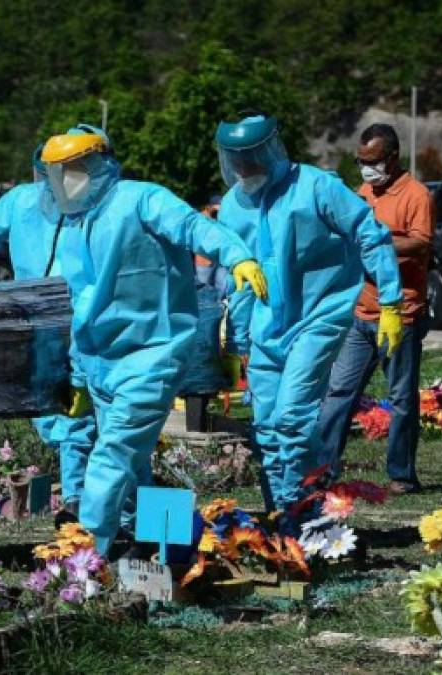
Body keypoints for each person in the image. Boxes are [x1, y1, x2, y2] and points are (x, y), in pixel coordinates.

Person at [41, 125, 267, 554]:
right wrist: (74, 373)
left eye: (75, 168)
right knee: (132, 462)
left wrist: (237, 257)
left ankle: (85, 552)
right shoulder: (73, 228)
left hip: (152, 355)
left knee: (111, 455)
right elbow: (76, 306)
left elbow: (194, 228)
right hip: (99, 362)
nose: (66, 181)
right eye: (58, 172)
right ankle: (144, 543)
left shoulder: (141, 199)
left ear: (100, 163)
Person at [215, 112, 402, 524]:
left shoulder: (316, 187)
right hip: (267, 328)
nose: (242, 167)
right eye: (234, 158)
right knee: (264, 426)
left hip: (320, 315)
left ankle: (305, 509)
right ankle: (284, 512)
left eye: (249, 156)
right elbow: (241, 278)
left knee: (292, 417)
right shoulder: (233, 205)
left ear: (269, 150)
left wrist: (390, 301)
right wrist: (240, 342)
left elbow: (369, 233)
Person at [0, 144, 96, 522]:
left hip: (78, 312)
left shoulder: (90, 206)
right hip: (32, 316)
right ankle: (74, 466)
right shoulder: (21, 202)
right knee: (42, 401)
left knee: (77, 402)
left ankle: (77, 494)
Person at [318, 124, 435, 495]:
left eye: (373, 162)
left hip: (401, 313)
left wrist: (375, 244)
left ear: (393, 157)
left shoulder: (417, 195)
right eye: (361, 162)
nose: (367, 170)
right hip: (361, 310)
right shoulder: (362, 192)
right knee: (339, 391)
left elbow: (419, 244)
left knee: (401, 397)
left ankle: (401, 474)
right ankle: (322, 469)